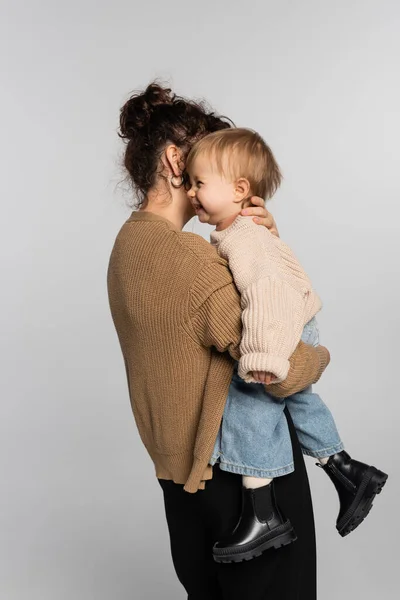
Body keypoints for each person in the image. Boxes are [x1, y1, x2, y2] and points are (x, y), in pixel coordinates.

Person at [107, 82, 331, 599]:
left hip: (181, 483)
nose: (224, 178)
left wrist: (258, 243)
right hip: (244, 476)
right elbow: (273, 362)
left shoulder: (129, 245)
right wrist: (319, 358)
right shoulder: (191, 260)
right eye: (208, 159)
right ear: (174, 160)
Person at [185, 127, 388, 564]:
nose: (191, 190)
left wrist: (263, 355)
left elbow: (267, 294)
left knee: (249, 404)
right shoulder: (237, 233)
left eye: (199, 182)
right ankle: (347, 471)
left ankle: (263, 514)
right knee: (298, 400)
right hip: (294, 320)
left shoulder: (246, 238)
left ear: (240, 190)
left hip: (278, 324)